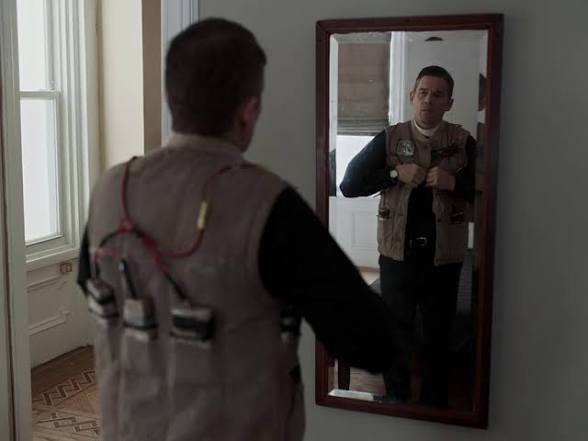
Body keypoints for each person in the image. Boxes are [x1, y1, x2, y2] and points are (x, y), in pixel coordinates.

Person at [77, 18, 399, 441]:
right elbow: (370, 344)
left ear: (172, 98)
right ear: (249, 111)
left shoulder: (109, 189)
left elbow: (90, 286)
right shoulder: (270, 204)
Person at [339, 65, 476, 407]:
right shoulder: (389, 138)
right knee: (394, 331)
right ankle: (396, 400)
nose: (429, 100)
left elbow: (490, 193)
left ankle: (434, 405)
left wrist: (454, 183)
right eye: (423, 93)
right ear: (412, 97)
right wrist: (393, 173)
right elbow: (349, 184)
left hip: (444, 258)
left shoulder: (463, 142)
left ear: (449, 103)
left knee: (438, 335)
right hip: (397, 255)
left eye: (438, 95)